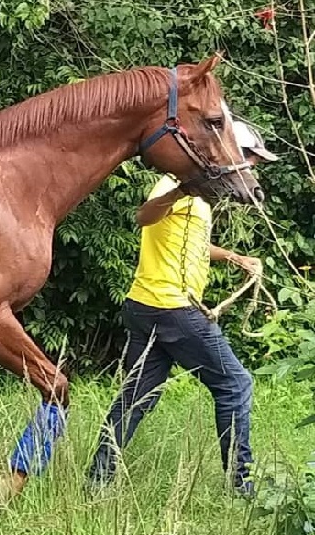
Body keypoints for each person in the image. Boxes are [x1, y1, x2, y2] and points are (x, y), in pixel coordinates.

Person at [86, 117, 279, 496]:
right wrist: (181, 191)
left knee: (139, 395)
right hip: (172, 309)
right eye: (251, 157)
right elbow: (146, 217)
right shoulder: (176, 184)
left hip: (145, 306)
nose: (253, 166)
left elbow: (188, 241)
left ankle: (98, 478)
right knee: (236, 384)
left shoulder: (202, 200)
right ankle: (242, 486)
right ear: (230, 153)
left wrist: (234, 257)